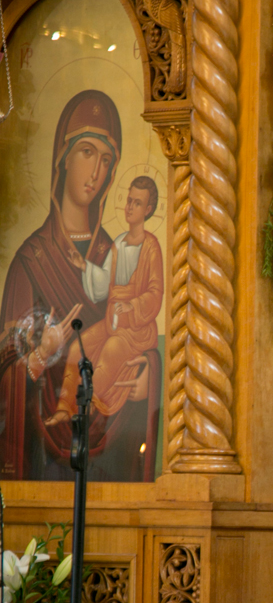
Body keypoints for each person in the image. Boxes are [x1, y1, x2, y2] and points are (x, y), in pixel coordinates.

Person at [0, 90, 121, 478]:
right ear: (62, 159)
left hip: (105, 445)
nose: (96, 171)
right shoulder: (30, 262)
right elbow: (5, 374)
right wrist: (40, 358)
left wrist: (145, 373)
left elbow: (131, 339)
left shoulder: (113, 256)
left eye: (106, 160)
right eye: (87, 152)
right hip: (40, 457)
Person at [46, 175, 164, 425]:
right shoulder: (118, 243)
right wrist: (84, 266)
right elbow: (103, 284)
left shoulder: (152, 247)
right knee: (78, 348)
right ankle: (64, 407)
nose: (130, 207)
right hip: (112, 321)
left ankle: (84, 409)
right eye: (129, 201)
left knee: (110, 351)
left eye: (137, 203)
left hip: (135, 329)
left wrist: (133, 304)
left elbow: (155, 292)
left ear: (149, 209)